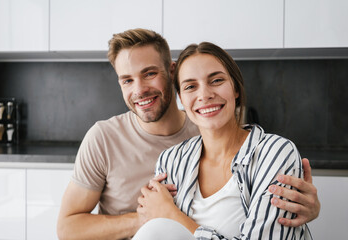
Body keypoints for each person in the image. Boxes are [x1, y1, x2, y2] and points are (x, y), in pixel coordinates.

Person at [57, 29, 319, 240]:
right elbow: (68, 228)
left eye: (149, 73)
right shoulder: (114, 141)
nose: (139, 90)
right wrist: (146, 218)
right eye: (127, 80)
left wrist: (307, 210)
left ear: (171, 73)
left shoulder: (209, 125)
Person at [134, 42, 313, 239]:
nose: (204, 95)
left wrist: (173, 215)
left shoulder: (276, 153)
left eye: (216, 80)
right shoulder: (171, 161)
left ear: (235, 88)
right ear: (181, 99)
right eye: (191, 86)